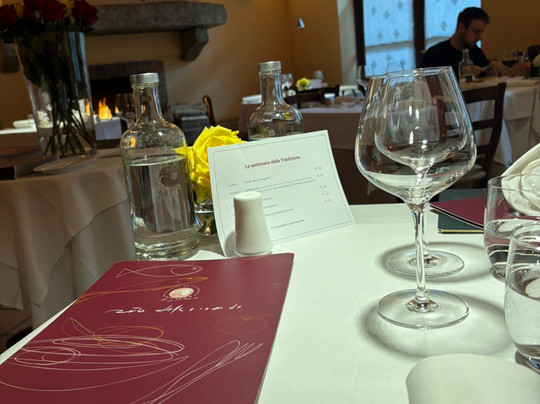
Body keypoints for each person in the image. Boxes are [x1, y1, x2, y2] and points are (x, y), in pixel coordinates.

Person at [420, 7, 505, 78]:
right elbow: (423, 85)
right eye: (476, 32)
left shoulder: (474, 51)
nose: (479, 38)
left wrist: (492, 65)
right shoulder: (434, 54)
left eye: (481, 33)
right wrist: (462, 75)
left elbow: (485, 67)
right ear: (461, 28)